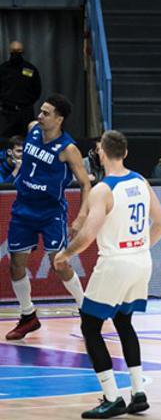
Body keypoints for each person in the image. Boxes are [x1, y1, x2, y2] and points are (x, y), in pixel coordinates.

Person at [53, 131, 161, 419]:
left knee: (90, 326)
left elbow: (88, 235)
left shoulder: (102, 190)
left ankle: (111, 396)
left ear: (101, 153)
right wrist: (139, 247)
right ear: (125, 153)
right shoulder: (140, 181)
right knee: (123, 321)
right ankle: (138, 391)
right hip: (142, 261)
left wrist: (65, 255)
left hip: (116, 263)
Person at [4, 94, 91, 341]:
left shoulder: (68, 149)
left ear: (59, 119)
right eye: (41, 111)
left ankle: (86, 310)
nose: (39, 116)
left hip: (51, 212)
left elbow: (86, 183)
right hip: (23, 208)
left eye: (46, 113)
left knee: (59, 264)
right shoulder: (32, 129)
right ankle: (28, 315)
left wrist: (82, 216)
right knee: (15, 265)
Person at [0, 40, 41, 136]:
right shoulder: (2, 69)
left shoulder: (30, 69)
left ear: (22, 52)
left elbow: (37, 90)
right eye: (14, 51)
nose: (16, 54)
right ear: (10, 51)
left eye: (19, 51)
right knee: (4, 140)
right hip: (7, 113)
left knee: (28, 138)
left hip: (25, 113)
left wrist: (26, 104)